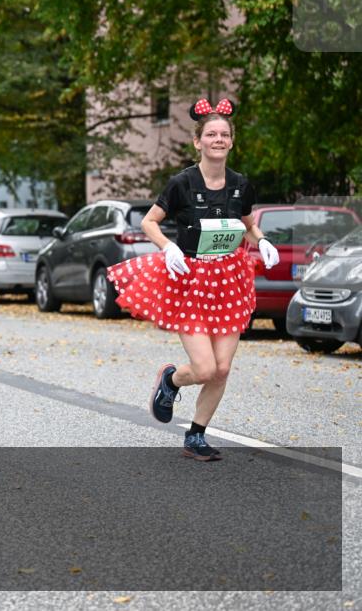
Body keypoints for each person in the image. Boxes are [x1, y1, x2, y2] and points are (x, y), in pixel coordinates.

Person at [107, 98, 279, 462]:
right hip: (190, 279)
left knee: (222, 368)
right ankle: (171, 381)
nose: (218, 139)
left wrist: (261, 241)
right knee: (203, 368)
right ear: (198, 141)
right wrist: (168, 247)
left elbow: (247, 224)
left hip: (230, 281)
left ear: (232, 142)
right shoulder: (182, 183)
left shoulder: (241, 184)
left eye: (224, 134)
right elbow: (148, 222)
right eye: (211, 134)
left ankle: (196, 436)